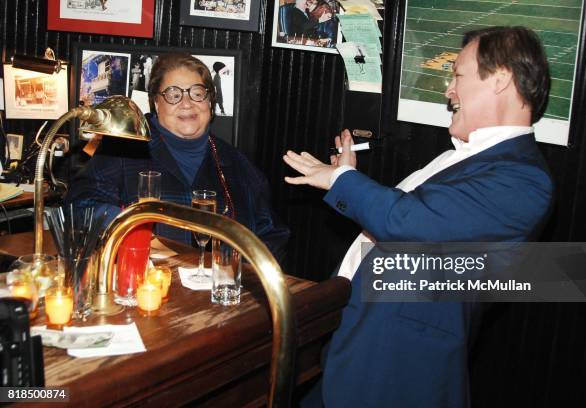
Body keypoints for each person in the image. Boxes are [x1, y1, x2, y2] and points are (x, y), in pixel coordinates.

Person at [283, 26, 554, 407]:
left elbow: (411, 223)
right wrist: (348, 179)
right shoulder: (467, 157)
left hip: (395, 372)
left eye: (458, 75)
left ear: (501, 79)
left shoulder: (523, 179)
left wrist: (341, 180)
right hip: (355, 347)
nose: (449, 90)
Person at [67, 53, 290, 261]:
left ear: (210, 103)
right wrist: (130, 231)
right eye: (173, 94)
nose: (187, 103)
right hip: (144, 286)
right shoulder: (123, 149)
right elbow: (83, 205)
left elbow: (273, 234)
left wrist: (240, 275)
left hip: (219, 294)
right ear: (156, 103)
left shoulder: (237, 164)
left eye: (197, 93)